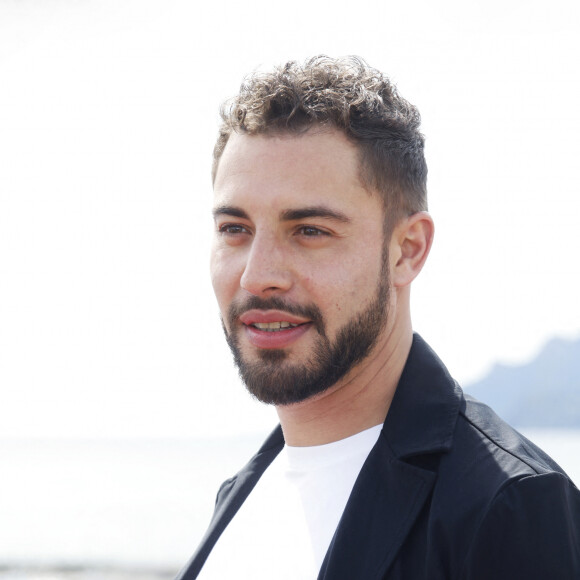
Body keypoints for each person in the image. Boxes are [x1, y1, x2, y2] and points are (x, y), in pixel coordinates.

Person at [176, 56, 580, 579]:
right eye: (235, 228)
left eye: (310, 230)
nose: (258, 276)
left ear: (406, 250)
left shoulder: (506, 506)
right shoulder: (241, 495)